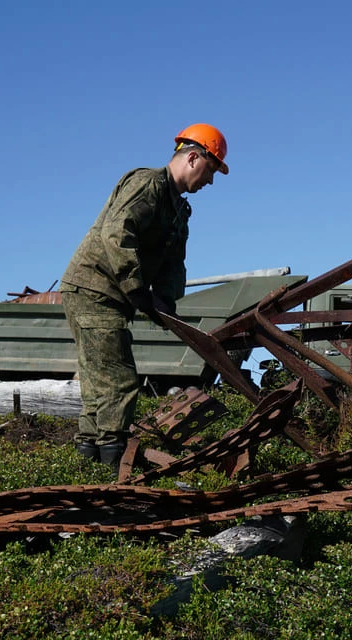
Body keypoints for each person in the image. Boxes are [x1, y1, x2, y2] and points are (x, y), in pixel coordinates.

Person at [59, 123, 229, 472]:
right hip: (94, 288)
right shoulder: (148, 184)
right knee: (117, 380)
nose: (210, 182)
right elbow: (116, 233)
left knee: (99, 379)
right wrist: (137, 289)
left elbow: (173, 263)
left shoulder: (179, 211)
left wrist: (166, 301)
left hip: (109, 293)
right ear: (194, 158)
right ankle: (111, 466)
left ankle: (90, 461)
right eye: (211, 171)